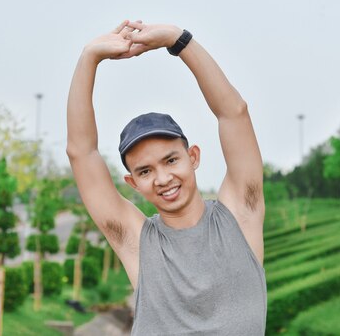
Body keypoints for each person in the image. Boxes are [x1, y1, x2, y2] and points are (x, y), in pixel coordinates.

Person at [66, 20, 267, 335]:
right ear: (132, 182)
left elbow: (234, 112)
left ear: (193, 157)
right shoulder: (137, 242)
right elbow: (81, 153)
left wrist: (179, 40)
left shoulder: (240, 214)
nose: (162, 178)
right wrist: (88, 57)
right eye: (145, 171)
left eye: (171, 160)